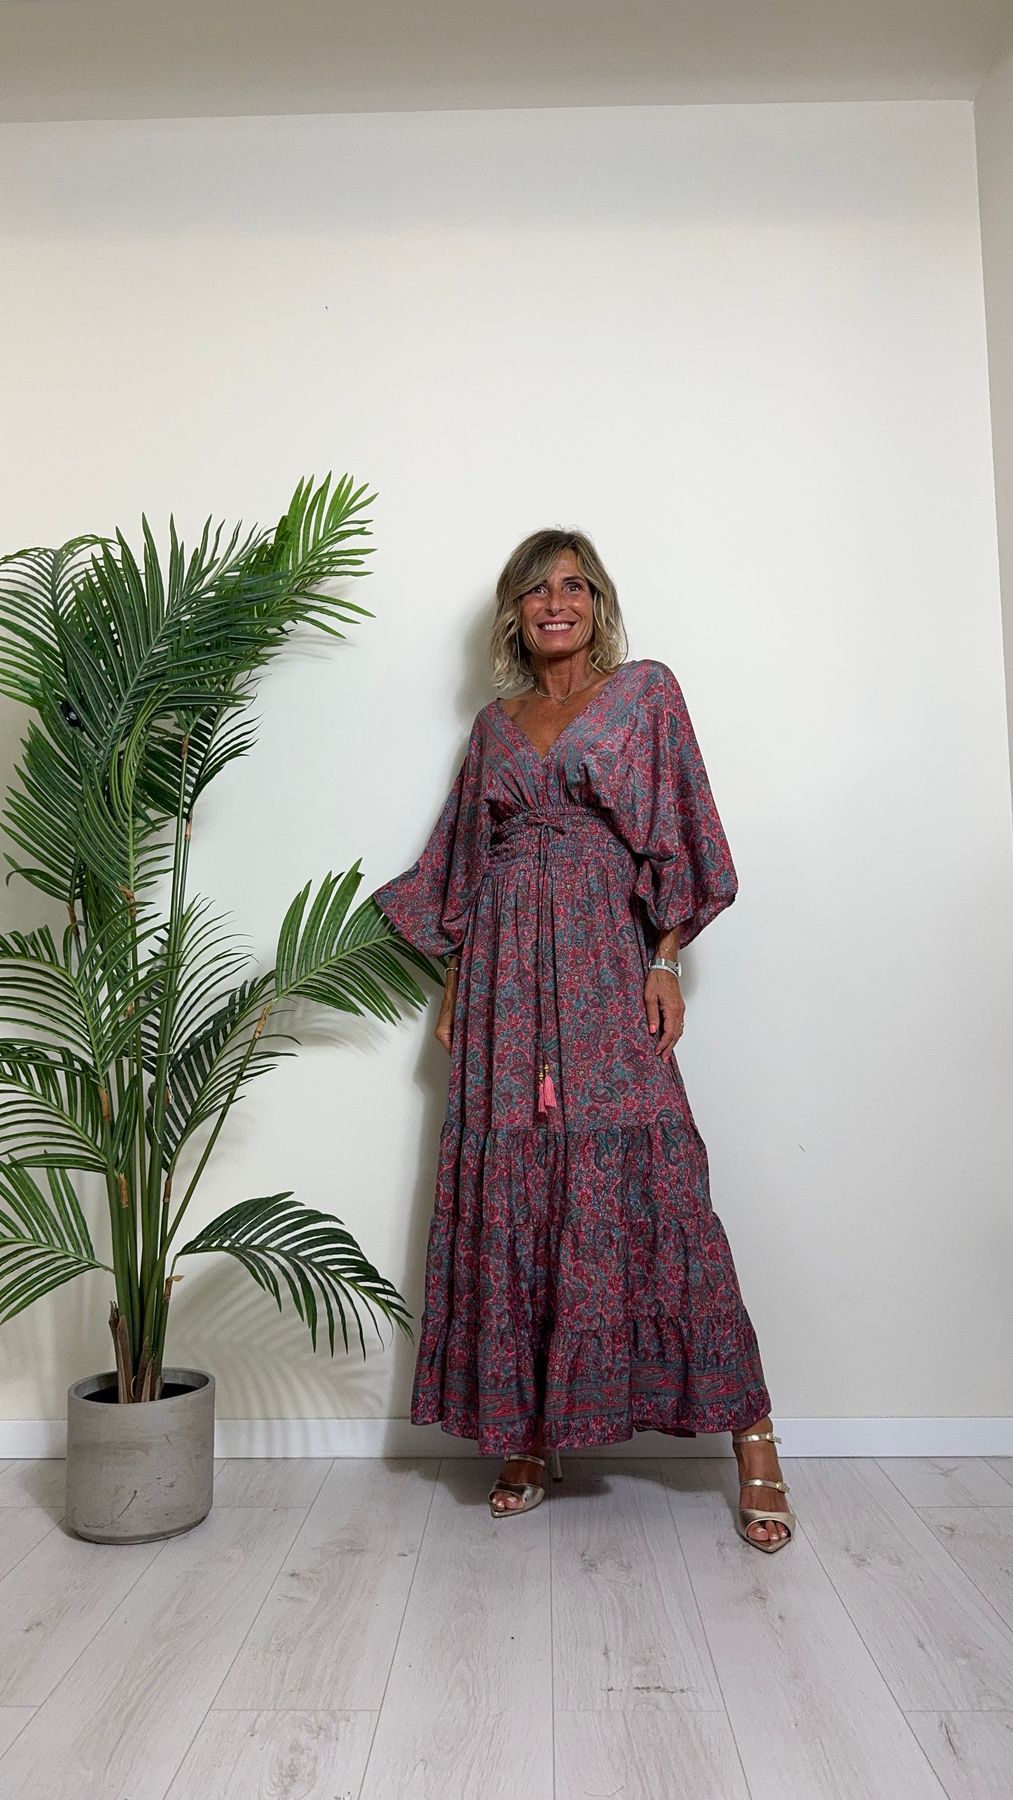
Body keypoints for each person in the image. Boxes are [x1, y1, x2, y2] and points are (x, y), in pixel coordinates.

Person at [373, 528, 795, 1551]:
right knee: (518, 1181)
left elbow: (684, 832)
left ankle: (753, 1436)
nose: (554, 602)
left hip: (606, 956)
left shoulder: (645, 693)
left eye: (573, 586)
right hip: (503, 979)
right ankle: (525, 1434)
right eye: (535, 590)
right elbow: (464, 865)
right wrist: (457, 981)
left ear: (597, 602)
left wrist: (664, 961)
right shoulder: (493, 725)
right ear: (514, 612)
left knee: (662, 1183)